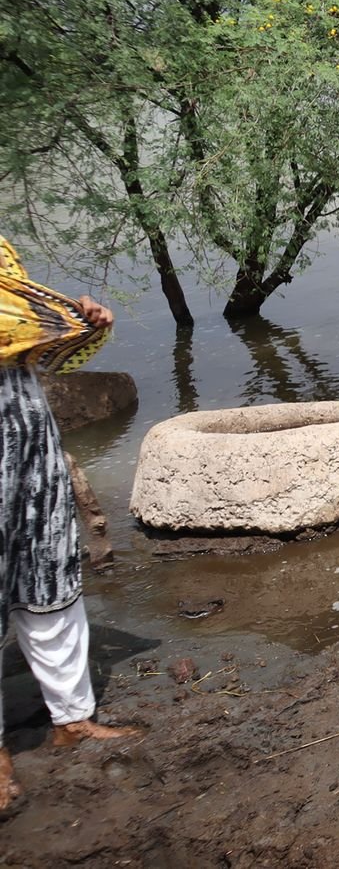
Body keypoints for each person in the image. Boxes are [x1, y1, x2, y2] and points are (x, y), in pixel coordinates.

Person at [0, 236, 137, 813]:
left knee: (49, 574)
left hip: (27, 426)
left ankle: (71, 719)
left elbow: (32, 351)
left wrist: (81, 325)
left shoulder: (3, 252)